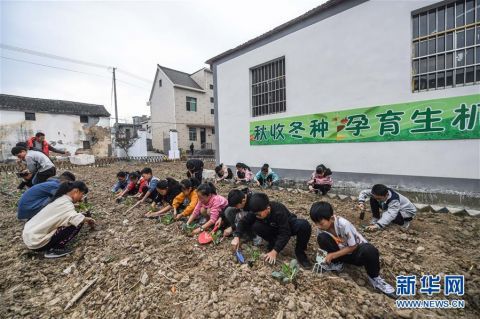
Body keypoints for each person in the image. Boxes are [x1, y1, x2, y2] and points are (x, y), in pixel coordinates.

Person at [310, 201, 394, 295]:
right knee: (321, 238)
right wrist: (320, 261)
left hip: (356, 254)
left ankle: (375, 278)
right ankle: (337, 264)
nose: (318, 226)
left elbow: (353, 246)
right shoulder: (321, 229)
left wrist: (332, 255)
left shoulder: (344, 224)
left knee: (369, 250)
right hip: (342, 253)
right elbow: (323, 247)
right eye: (316, 223)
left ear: (331, 218)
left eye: (321, 223)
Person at [231, 193, 312, 269]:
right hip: (272, 228)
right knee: (256, 226)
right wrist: (237, 236)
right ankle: (273, 242)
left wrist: (275, 251)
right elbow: (243, 222)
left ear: (268, 208)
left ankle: (300, 252)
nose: (257, 216)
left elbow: (285, 233)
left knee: (303, 225)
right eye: (255, 214)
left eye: (258, 214)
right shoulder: (256, 211)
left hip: (288, 226)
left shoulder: (279, 211)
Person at [22, 181, 95, 258]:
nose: (81, 198)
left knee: (76, 218)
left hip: (29, 238)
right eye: (82, 194)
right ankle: (55, 249)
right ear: (76, 191)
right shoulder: (66, 204)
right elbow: (75, 218)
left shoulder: (60, 199)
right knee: (78, 221)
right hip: (37, 243)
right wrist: (89, 219)